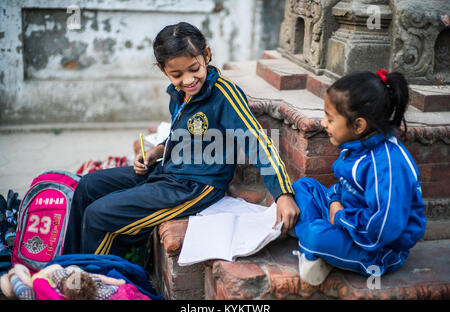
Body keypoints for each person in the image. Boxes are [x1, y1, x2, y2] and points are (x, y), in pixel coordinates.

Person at [63, 22, 299, 257]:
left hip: (195, 186)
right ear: (162, 69)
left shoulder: (224, 95)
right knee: (87, 186)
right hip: (166, 171)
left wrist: (283, 194)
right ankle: (67, 266)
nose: (188, 80)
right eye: (177, 74)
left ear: (206, 55)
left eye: (193, 69)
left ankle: (90, 279)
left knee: (99, 215)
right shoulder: (179, 95)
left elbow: (257, 143)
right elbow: (184, 137)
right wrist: (157, 151)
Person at [292, 69, 426, 285]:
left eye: (330, 118)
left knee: (314, 235)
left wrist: (341, 217)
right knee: (303, 187)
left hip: (378, 249)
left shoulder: (388, 166)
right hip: (347, 218)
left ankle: (319, 247)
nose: (323, 123)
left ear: (358, 125)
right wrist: (335, 202)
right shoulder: (358, 145)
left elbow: (383, 228)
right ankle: (325, 249)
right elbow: (346, 187)